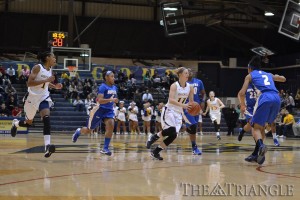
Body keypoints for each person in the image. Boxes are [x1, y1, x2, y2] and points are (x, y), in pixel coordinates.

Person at [10, 51, 62, 158]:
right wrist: (46, 80)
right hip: (32, 98)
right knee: (28, 123)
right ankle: (16, 124)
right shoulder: (37, 67)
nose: (55, 59)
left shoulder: (50, 69)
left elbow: (46, 84)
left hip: (43, 97)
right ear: (47, 58)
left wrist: (54, 86)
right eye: (53, 57)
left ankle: (47, 146)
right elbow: (29, 83)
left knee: (46, 118)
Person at [238, 55, 286, 165]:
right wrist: (279, 77)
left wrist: (242, 104)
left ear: (250, 68)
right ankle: (256, 154)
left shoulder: (249, 76)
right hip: (277, 98)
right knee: (262, 127)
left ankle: (260, 146)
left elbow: (241, 93)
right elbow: (283, 78)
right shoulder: (267, 74)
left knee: (255, 128)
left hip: (265, 98)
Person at [146, 67, 193, 160]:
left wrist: (194, 108)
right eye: (186, 73)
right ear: (180, 75)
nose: (188, 75)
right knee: (171, 129)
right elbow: (171, 100)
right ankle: (154, 137)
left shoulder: (190, 87)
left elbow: (191, 102)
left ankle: (155, 152)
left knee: (174, 135)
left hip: (179, 113)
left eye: (188, 73)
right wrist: (183, 105)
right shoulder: (174, 85)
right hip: (169, 110)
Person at [72, 69, 118, 156]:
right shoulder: (103, 87)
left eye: (113, 76)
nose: (113, 78)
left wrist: (114, 100)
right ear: (106, 77)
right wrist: (111, 99)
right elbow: (99, 100)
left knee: (111, 125)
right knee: (89, 130)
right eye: (112, 76)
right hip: (98, 110)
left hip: (109, 111)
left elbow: (114, 99)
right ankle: (79, 131)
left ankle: (105, 148)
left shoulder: (115, 88)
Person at [182, 68, 206, 155]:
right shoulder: (183, 83)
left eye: (191, 71)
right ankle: (194, 147)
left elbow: (204, 93)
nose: (189, 73)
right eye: (187, 72)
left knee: (194, 127)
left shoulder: (199, 82)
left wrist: (203, 101)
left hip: (196, 107)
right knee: (193, 126)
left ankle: (193, 145)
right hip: (187, 107)